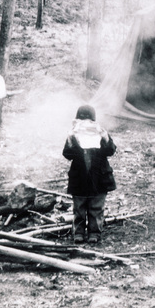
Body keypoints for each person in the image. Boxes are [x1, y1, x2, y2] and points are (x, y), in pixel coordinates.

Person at [63, 104, 117, 244]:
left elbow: (110, 150)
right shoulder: (74, 134)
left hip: (99, 177)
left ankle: (94, 233)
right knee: (79, 208)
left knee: (96, 207)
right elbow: (67, 154)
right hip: (80, 177)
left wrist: (104, 136)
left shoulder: (99, 133)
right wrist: (71, 139)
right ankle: (79, 233)